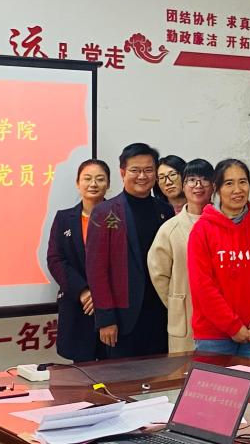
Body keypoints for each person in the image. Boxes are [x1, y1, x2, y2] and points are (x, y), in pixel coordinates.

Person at [187, 159, 250, 359]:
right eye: (229, 183)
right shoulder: (202, 230)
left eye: (243, 182)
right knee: (214, 381)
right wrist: (232, 326)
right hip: (214, 336)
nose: (237, 190)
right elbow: (202, 286)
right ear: (217, 188)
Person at [86, 143, 172, 358]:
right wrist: (106, 319)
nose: (142, 176)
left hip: (162, 313)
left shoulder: (165, 210)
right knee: (123, 376)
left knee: (162, 374)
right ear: (123, 172)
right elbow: (97, 270)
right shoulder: (105, 212)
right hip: (123, 319)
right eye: (135, 170)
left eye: (148, 170)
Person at [147, 159, 215, 353]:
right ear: (183, 185)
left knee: (220, 368)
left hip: (221, 319)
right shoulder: (170, 228)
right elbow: (158, 273)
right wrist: (176, 302)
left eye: (204, 179)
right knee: (184, 368)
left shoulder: (225, 223)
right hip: (185, 316)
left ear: (214, 186)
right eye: (191, 180)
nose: (198, 185)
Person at [46, 158, 110, 362]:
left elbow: (124, 263)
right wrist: (83, 291)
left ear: (108, 184)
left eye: (100, 179)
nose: (93, 184)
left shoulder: (119, 216)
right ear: (77, 183)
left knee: (114, 370)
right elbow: (55, 259)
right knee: (81, 371)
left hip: (112, 310)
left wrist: (100, 295)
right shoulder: (64, 218)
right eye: (87, 178)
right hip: (78, 305)